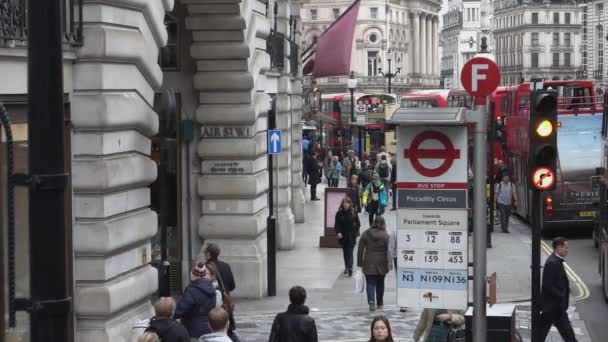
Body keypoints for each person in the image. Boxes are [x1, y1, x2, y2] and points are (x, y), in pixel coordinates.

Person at [540, 237, 578, 342]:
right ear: (558, 247)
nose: (567, 250)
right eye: (565, 247)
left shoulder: (556, 261)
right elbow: (547, 285)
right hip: (551, 308)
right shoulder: (552, 262)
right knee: (540, 335)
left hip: (558, 308)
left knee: (568, 334)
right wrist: (561, 294)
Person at [175, 262, 218, 340]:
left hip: (193, 328)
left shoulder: (192, 290)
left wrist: (170, 314)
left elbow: (181, 309)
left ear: (193, 276)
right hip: (208, 327)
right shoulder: (212, 289)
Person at [357, 217, 390, 312]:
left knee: (370, 283)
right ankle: (379, 302)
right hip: (382, 262)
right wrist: (390, 262)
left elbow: (360, 249)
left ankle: (371, 301)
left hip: (369, 261)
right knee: (380, 283)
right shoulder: (385, 235)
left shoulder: (366, 233)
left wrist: (359, 263)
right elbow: (389, 250)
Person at [335, 197, 361, 277]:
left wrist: (356, 229)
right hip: (343, 236)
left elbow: (358, 223)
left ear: (350, 204)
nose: (346, 204)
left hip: (351, 235)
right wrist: (338, 232)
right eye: (344, 203)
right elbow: (337, 224)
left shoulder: (353, 212)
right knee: (345, 252)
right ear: (342, 204)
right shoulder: (339, 213)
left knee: (350, 252)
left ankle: (350, 267)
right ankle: (347, 266)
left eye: (347, 203)